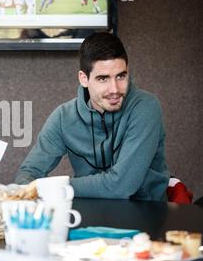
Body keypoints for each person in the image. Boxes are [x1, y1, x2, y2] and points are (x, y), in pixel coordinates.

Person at [15, 32, 170, 201]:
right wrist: (27, 191)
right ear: (84, 78)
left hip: (144, 216)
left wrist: (50, 187)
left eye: (121, 76)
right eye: (103, 79)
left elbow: (120, 186)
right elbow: (29, 173)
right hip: (86, 215)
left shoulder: (145, 107)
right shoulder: (63, 117)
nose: (115, 89)